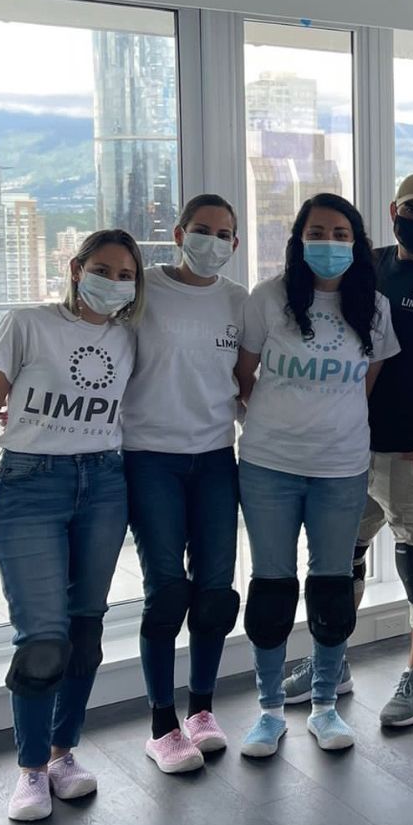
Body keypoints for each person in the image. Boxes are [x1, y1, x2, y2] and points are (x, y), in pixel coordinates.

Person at [283, 173, 413, 727]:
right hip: (351, 448)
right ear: (395, 210)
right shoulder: (367, 265)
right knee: (339, 557)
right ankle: (331, 662)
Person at [0, 230, 143, 821]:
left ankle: (64, 754)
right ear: (75, 268)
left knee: (85, 629)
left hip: (105, 484)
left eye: (125, 275)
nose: (113, 282)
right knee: (42, 637)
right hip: (29, 486)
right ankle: (32, 769)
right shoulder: (26, 324)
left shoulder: (129, 336)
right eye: (103, 269)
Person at [235, 193, 398, 758]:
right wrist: (276, 420)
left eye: (340, 234)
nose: (329, 243)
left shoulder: (375, 308)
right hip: (268, 466)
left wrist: (329, 419)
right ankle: (268, 711)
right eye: (317, 233)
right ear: (298, 240)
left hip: (341, 468)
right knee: (271, 589)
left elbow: (367, 380)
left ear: (357, 243)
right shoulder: (268, 299)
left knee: (332, 588)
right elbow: (243, 375)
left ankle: (325, 704)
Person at [124, 195, 247, 773]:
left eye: (224, 234)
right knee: (168, 590)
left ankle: (201, 710)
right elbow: (93, 340)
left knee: (216, 592)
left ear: (235, 244)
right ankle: (161, 724)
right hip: (151, 458)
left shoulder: (237, 301)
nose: (212, 242)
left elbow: (248, 379)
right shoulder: (143, 289)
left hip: (217, 456)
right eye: (202, 230)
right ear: (178, 233)